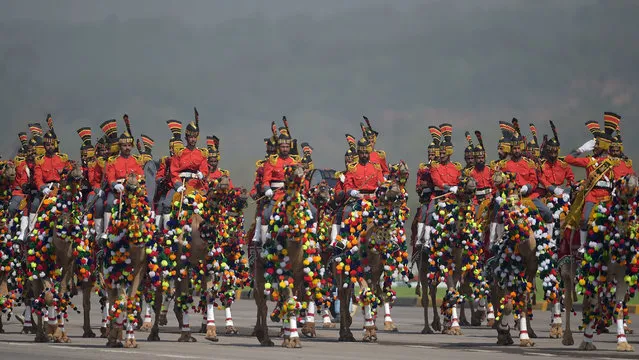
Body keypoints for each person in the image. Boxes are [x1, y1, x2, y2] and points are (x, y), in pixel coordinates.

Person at [564, 117, 616, 252]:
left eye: (596, 145)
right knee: (585, 219)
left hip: (607, 196)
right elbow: (568, 159)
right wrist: (581, 149)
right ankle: (582, 245)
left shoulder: (613, 162)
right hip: (592, 195)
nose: (594, 147)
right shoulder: (589, 161)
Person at [338, 137, 385, 248]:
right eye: (361, 153)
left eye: (366, 153)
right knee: (347, 210)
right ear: (358, 153)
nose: (364, 155)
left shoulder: (376, 167)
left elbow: (382, 182)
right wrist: (351, 191)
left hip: (374, 199)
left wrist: (381, 188)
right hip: (358, 199)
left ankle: (389, 239)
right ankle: (343, 239)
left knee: (386, 214)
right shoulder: (352, 168)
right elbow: (347, 184)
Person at [259, 128, 299, 244]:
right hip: (277, 195)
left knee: (313, 211)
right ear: (279, 147)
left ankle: (313, 242)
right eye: (283, 147)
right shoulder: (272, 161)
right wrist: (267, 189)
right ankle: (264, 243)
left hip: (292, 195)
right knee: (266, 215)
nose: (285, 149)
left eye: (287, 147)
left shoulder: (294, 162)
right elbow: (266, 180)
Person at [102, 131, 145, 240]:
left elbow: (141, 176)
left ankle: (145, 230)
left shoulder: (136, 160)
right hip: (118, 191)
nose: (127, 148)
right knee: (109, 204)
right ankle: (106, 232)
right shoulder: (113, 161)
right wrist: (115, 185)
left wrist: (138, 186)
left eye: (129, 145)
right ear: (120, 146)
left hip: (134, 191)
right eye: (124, 145)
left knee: (145, 204)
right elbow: (110, 176)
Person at [31, 129, 70, 229]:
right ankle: (31, 232)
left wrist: (67, 172)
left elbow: (70, 172)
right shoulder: (39, 160)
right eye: (48, 145)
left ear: (55, 145)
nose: (50, 147)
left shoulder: (63, 158)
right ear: (44, 146)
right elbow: (37, 177)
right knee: (35, 205)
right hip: (46, 189)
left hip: (60, 189)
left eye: (52, 144)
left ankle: (68, 231)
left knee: (68, 206)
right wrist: (43, 188)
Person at [414, 126, 441, 247]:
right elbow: (418, 185)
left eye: (433, 154)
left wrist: (430, 183)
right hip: (426, 199)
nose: (430, 157)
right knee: (422, 215)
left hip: (439, 198)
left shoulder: (441, 167)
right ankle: (419, 240)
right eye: (429, 154)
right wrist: (420, 187)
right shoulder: (422, 168)